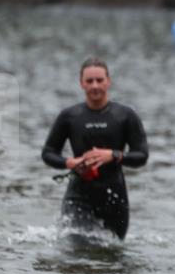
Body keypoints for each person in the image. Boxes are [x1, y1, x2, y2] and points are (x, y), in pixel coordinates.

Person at [42, 58, 149, 239]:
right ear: (81, 83)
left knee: (112, 253)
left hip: (114, 196)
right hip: (78, 196)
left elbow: (142, 156)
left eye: (99, 80)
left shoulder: (125, 116)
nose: (95, 86)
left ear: (108, 81)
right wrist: (71, 162)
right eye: (89, 81)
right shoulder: (70, 116)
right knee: (79, 245)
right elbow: (48, 153)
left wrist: (114, 155)